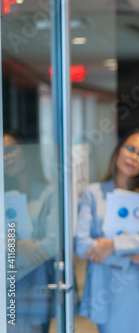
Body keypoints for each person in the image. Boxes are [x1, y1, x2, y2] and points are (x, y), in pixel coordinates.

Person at [75, 128, 139, 333]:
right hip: (107, 291)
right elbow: (83, 246)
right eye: (130, 149)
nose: (134, 157)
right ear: (118, 149)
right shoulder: (93, 194)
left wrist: (113, 245)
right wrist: (131, 255)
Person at [4, 130, 58, 333]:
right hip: (6, 284)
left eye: (10, 150)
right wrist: (17, 246)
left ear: (25, 150)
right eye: (1, 153)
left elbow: (51, 245)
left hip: (36, 284)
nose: (5, 157)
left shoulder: (50, 192)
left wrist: (8, 251)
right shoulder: (2, 196)